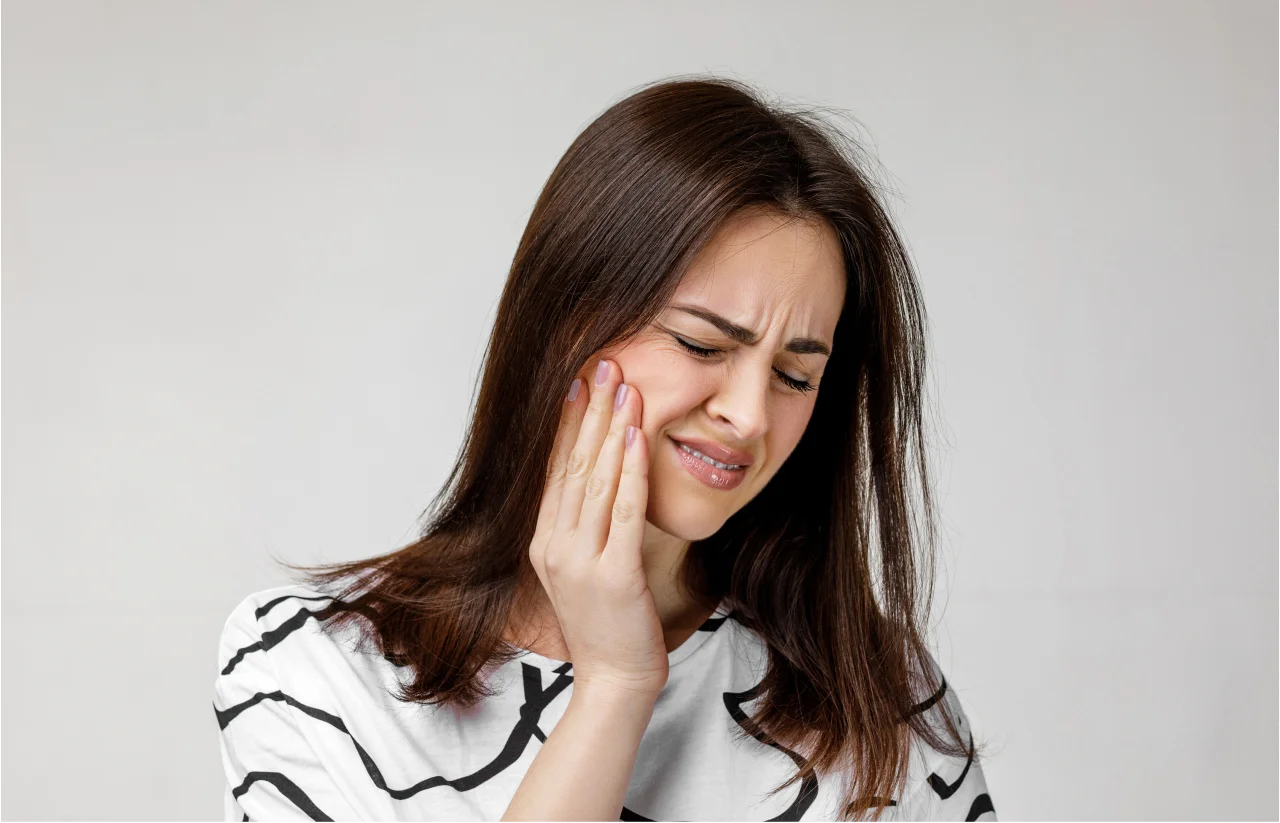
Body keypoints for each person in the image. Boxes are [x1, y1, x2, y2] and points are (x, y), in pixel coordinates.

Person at [212, 75, 998, 822]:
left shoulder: (879, 700)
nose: (750, 414)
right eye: (701, 344)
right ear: (565, 326)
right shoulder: (314, 670)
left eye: (795, 375)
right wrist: (616, 685)